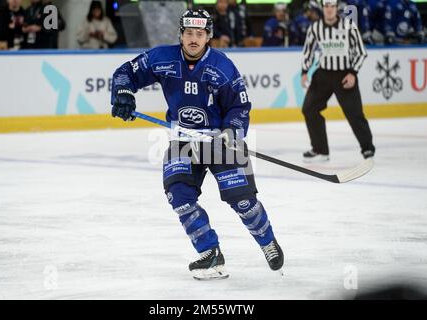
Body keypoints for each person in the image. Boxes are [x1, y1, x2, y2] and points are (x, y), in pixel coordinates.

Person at [110, 9, 284, 280]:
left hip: (219, 139)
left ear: (208, 37)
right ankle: (210, 252)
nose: (193, 39)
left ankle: (267, 241)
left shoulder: (223, 66)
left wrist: (232, 132)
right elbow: (126, 72)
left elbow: (240, 106)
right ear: (181, 34)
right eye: (189, 33)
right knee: (178, 194)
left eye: (199, 34)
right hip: (184, 139)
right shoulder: (162, 57)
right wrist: (122, 92)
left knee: (243, 201)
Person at [300, 0, 375, 162]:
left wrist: (353, 73)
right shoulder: (315, 28)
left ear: (336, 8)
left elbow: (361, 52)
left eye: (332, 6)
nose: (329, 9)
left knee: (354, 113)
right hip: (323, 75)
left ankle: (367, 148)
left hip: (344, 75)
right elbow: (308, 51)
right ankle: (320, 150)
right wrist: (304, 71)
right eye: (326, 6)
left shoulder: (349, 26)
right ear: (322, 8)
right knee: (309, 109)